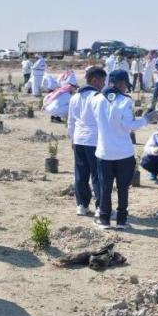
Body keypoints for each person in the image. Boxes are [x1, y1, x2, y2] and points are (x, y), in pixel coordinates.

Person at [92, 70, 158, 229]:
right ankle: (121, 220)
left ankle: (104, 219)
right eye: (125, 85)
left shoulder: (96, 99)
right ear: (121, 83)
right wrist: (146, 119)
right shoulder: (125, 101)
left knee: (105, 187)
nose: (125, 88)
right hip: (123, 152)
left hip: (104, 152)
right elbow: (129, 125)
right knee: (123, 188)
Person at [67, 66, 106, 216]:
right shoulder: (98, 97)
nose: (103, 84)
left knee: (81, 174)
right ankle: (100, 207)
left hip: (79, 139)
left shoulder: (75, 97)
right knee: (98, 175)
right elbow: (102, 121)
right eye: (102, 81)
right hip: (94, 140)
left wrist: (72, 138)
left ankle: (82, 205)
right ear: (94, 80)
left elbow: (70, 121)